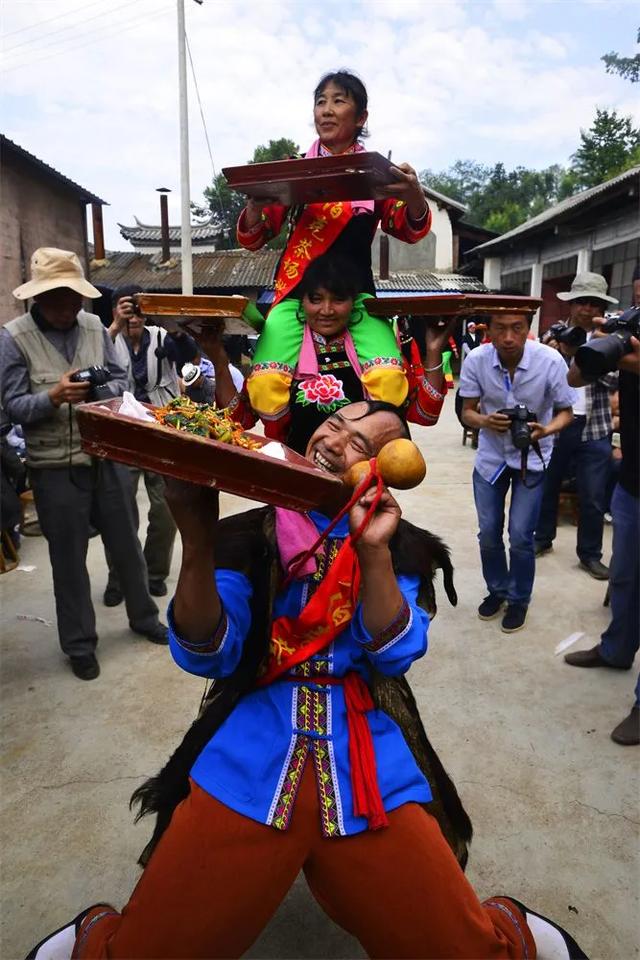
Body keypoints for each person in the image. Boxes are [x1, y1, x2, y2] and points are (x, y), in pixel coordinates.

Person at [26, 402, 587, 960]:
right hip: (249, 757)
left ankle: (514, 925)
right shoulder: (249, 532)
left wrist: (372, 553)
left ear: (386, 468)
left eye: (363, 445)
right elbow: (208, 654)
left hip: (367, 771)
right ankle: (93, 930)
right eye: (336, 424)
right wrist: (196, 541)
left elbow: (395, 655)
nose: (337, 441)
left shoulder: (401, 544)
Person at [0, 248, 168, 680]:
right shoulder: (13, 338)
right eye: (56, 298)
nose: (66, 307)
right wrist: (51, 398)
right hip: (54, 467)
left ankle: (145, 619)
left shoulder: (95, 325)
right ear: (37, 298)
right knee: (68, 559)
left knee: (126, 544)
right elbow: (13, 407)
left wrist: (98, 386)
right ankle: (79, 645)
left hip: (105, 457)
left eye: (73, 298)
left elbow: (120, 379)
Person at [208, 254, 450, 453]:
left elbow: (425, 414)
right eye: (315, 299)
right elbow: (237, 420)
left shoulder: (380, 350)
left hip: (362, 483)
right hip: (297, 477)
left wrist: (433, 350)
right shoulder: (281, 353)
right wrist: (217, 356)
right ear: (302, 301)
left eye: (338, 299)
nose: (326, 310)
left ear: (353, 302)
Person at [459, 309, 575, 633]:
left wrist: (547, 429)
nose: (508, 337)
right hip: (491, 458)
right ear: (489, 330)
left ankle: (519, 598)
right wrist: (485, 421)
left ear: (528, 329)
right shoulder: (476, 360)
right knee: (488, 533)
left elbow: (567, 412)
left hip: (533, 458)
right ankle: (497, 590)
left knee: (522, 536)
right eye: (500, 328)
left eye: (516, 328)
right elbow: (467, 411)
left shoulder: (550, 361)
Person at [564, 278, 640, 746]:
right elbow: (575, 378)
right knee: (626, 578)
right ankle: (615, 650)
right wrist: (592, 347)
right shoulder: (626, 338)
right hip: (633, 483)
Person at [534, 273, 619, 579]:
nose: (586, 309)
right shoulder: (551, 337)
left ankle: (590, 555)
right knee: (547, 485)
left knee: (593, 495)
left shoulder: (610, 339)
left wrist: (589, 358)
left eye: (593, 303)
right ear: (571, 304)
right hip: (557, 425)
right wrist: (563, 352)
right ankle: (542, 538)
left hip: (595, 427)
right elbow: (540, 378)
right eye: (581, 301)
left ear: (601, 308)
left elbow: (614, 380)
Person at [102, 285, 182, 603]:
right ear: (114, 310)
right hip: (121, 432)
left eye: (138, 308)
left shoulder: (163, 336)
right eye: (126, 308)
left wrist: (171, 322)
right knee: (119, 509)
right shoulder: (106, 337)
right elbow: (89, 358)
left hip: (160, 430)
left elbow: (186, 352)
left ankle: (154, 573)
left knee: (165, 509)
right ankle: (118, 578)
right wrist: (116, 327)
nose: (133, 315)